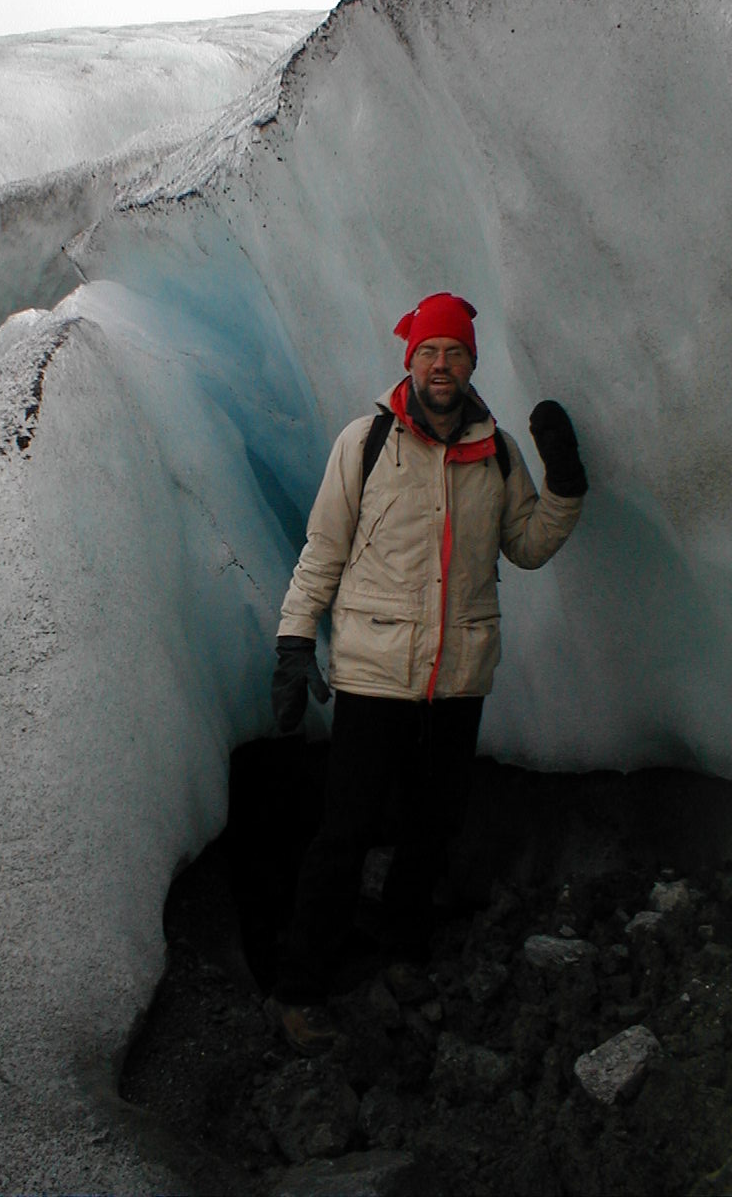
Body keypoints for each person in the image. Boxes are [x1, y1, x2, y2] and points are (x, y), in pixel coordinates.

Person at [267, 292, 587, 1054]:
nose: (442, 366)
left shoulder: (496, 452)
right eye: (430, 353)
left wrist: (566, 488)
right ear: (410, 360)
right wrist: (294, 641)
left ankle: (404, 956)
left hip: (458, 676)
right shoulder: (367, 442)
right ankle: (299, 988)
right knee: (345, 833)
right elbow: (324, 548)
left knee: (431, 828)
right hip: (375, 675)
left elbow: (526, 546)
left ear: (472, 363)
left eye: (456, 353)